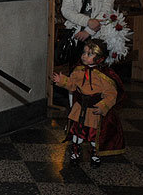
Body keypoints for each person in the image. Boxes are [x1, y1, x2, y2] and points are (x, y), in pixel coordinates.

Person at [52, 38, 125, 167]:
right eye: (84, 52)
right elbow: (73, 85)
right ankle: (75, 151)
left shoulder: (105, 76)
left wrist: (103, 105)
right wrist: (62, 80)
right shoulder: (79, 71)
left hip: (93, 110)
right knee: (76, 131)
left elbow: (111, 94)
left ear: (99, 58)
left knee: (93, 133)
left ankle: (95, 153)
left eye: (89, 54)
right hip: (79, 108)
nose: (84, 56)